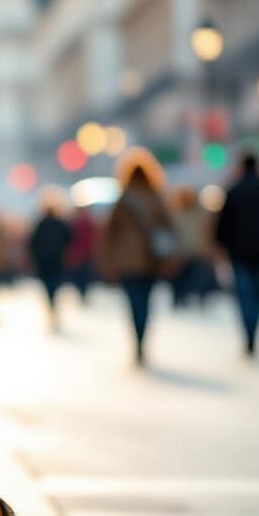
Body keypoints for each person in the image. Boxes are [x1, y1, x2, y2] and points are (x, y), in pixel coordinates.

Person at [100, 148, 177, 366]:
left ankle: (138, 342)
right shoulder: (156, 198)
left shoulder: (123, 200)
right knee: (146, 302)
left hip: (127, 262)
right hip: (151, 261)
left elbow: (110, 235)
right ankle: (143, 339)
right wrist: (171, 258)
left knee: (134, 303)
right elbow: (170, 229)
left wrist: (108, 262)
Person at [215, 153, 259, 355]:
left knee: (245, 296)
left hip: (239, 253)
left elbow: (222, 224)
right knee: (258, 296)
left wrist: (222, 245)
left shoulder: (234, 191)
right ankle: (254, 331)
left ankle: (249, 333)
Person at [170, 186, 217, 307]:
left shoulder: (195, 213)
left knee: (194, 276)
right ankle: (181, 297)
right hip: (185, 253)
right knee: (183, 277)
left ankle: (192, 296)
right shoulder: (177, 213)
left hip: (194, 252)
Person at [28, 200, 72, 330]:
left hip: (44, 262)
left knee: (48, 286)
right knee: (55, 285)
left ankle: (51, 307)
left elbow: (33, 243)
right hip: (57, 261)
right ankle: (54, 307)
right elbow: (69, 239)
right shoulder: (60, 223)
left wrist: (36, 257)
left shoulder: (40, 224)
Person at [66, 206, 98, 300]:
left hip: (83, 255)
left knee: (82, 277)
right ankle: (82, 293)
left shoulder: (79, 224)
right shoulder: (84, 224)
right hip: (81, 255)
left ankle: (83, 293)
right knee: (82, 277)